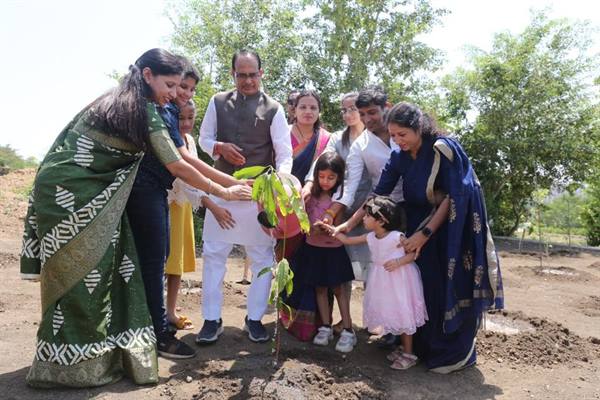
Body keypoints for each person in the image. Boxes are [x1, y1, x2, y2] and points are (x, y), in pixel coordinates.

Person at [19, 48, 251, 388]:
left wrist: (229, 183)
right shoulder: (142, 109)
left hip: (82, 189)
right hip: (71, 192)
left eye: (179, 86)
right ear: (147, 76)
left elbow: (182, 157)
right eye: (170, 84)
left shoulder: (132, 102)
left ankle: (90, 356)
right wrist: (226, 192)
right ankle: (71, 362)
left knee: (95, 274)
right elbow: (178, 165)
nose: (175, 93)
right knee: (79, 276)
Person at [336, 102, 504, 373]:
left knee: (442, 286)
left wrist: (424, 235)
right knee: (418, 287)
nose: (397, 141)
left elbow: (453, 196)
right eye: (393, 136)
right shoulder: (400, 156)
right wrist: (348, 223)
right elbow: (378, 194)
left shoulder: (443, 148)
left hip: (448, 231)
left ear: (419, 129)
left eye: (402, 135)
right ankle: (420, 349)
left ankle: (454, 353)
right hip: (415, 224)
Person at [197, 49, 293, 344]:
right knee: (214, 256)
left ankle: (254, 319)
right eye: (242, 75)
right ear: (233, 75)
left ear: (262, 74)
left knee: (262, 257)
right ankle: (211, 320)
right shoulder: (217, 101)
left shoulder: (274, 108)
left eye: (253, 74)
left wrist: (281, 184)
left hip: (258, 195)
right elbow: (203, 140)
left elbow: (284, 153)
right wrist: (219, 148)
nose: (248, 81)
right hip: (222, 189)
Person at [301, 92, 370, 334]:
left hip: (368, 208)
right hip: (337, 210)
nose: (348, 114)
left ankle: (372, 322)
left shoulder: (372, 137)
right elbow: (320, 163)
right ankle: (337, 322)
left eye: (353, 108)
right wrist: (309, 185)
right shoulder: (338, 139)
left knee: (373, 266)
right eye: (344, 109)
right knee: (342, 270)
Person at [331, 196, 428, 368]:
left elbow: (413, 254)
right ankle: (403, 347)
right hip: (382, 280)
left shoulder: (397, 237)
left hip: (399, 281)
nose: (364, 218)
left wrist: (398, 262)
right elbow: (347, 240)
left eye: (368, 216)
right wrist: (331, 229)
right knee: (392, 312)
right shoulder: (371, 237)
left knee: (402, 314)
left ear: (381, 221)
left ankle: (409, 353)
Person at [293, 152, 356, 352]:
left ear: (339, 177)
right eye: (321, 177)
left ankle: (348, 330)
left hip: (333, 251)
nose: (326, 181)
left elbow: (340, 227)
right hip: (313, 248)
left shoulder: (340, 197)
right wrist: (313, 229)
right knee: (319, 288)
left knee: (339, 290)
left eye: (331, 177)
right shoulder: (310, 197)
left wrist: (327, 227)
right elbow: (304, 224)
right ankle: (325, 326)